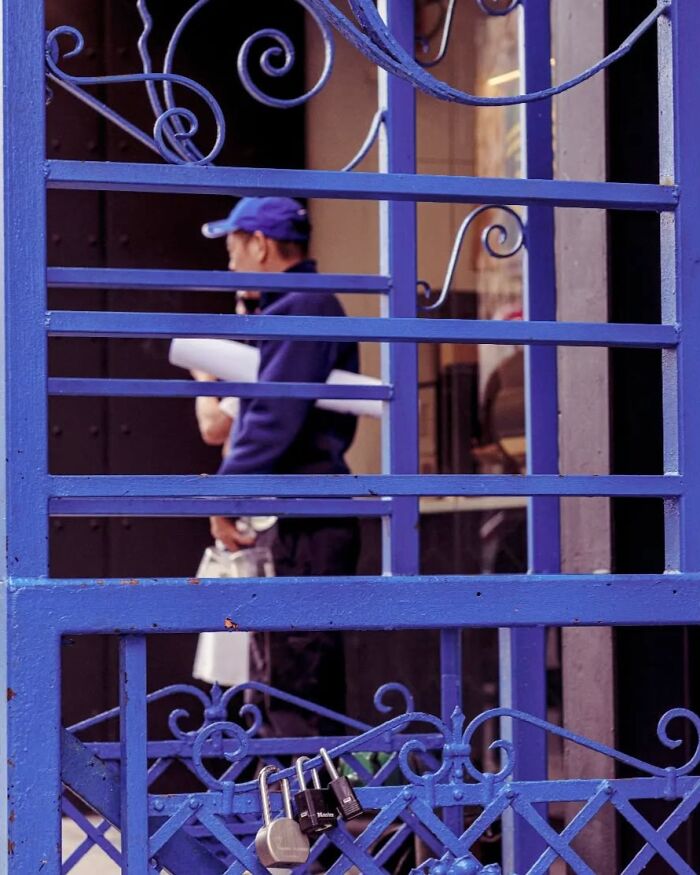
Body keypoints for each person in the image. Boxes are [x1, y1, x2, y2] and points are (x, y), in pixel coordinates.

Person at [199, 196, 360, 737]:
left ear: (260, 245)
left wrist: (225, 497)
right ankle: (307, 816)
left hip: (306, 516)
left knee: (297, 687)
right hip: (301, 513)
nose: (230, 265)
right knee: (289, 678)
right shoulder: (292, 306)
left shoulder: (302, 308)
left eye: (232, 250)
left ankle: (315, 819)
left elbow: (270, 415)